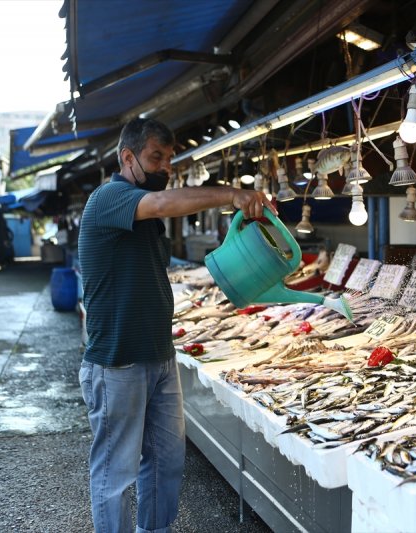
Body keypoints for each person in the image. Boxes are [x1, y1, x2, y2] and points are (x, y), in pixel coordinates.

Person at [77, 117, 274, 533]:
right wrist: (233, 194)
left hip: (160, 358)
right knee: (116, 475)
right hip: (117, 364)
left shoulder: (145, 215)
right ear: (127, 157)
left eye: (169, 158)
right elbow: (167, 202)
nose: (165, 167)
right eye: (156, 157)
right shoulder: (109, 198)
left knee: (165, 463)